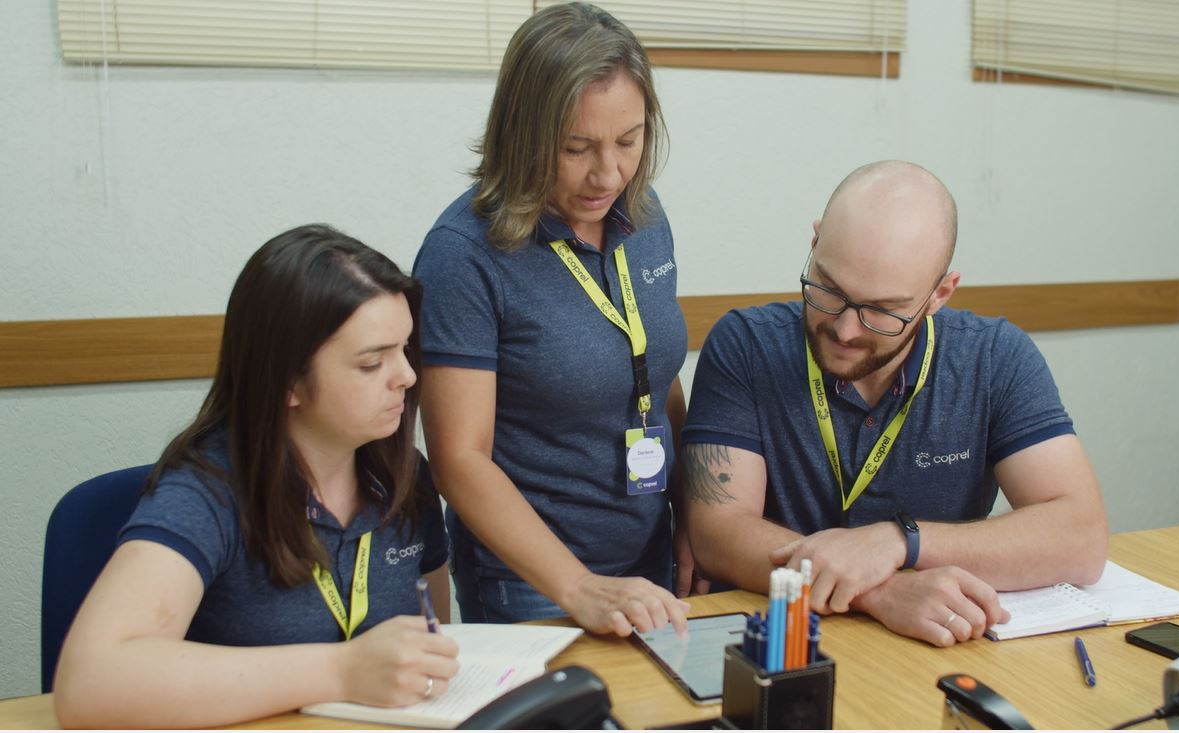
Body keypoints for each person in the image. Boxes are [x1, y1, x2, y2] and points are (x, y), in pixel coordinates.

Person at [681, 161, 1109, 647]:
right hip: (777, 639)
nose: (845, 329)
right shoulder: (746, 345)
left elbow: (1081, 537)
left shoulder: (995, 359)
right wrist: (881, 591)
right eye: (828, 291)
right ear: (815, 243)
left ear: (938, 294)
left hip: (927, 652)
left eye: (882, 312)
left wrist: (895, 542)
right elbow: (718, 533)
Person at [54, 225, 459, 727]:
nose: (407, 375)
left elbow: (429, 634)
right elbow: (91, 685)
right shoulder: (206, 492)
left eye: (404, 349)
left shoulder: (401, 472)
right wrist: (340, 670)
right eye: (372, 362)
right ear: (286, 381)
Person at [414, 2, 700, 637]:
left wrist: (695, 519)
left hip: (648, 556)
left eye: (629, 141)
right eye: (576, 148)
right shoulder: (464, 254)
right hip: (534, 583)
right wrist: (579, 587)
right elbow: (459, 461)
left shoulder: (644, 217)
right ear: (524, 135)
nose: (608, 173)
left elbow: (655, 371)